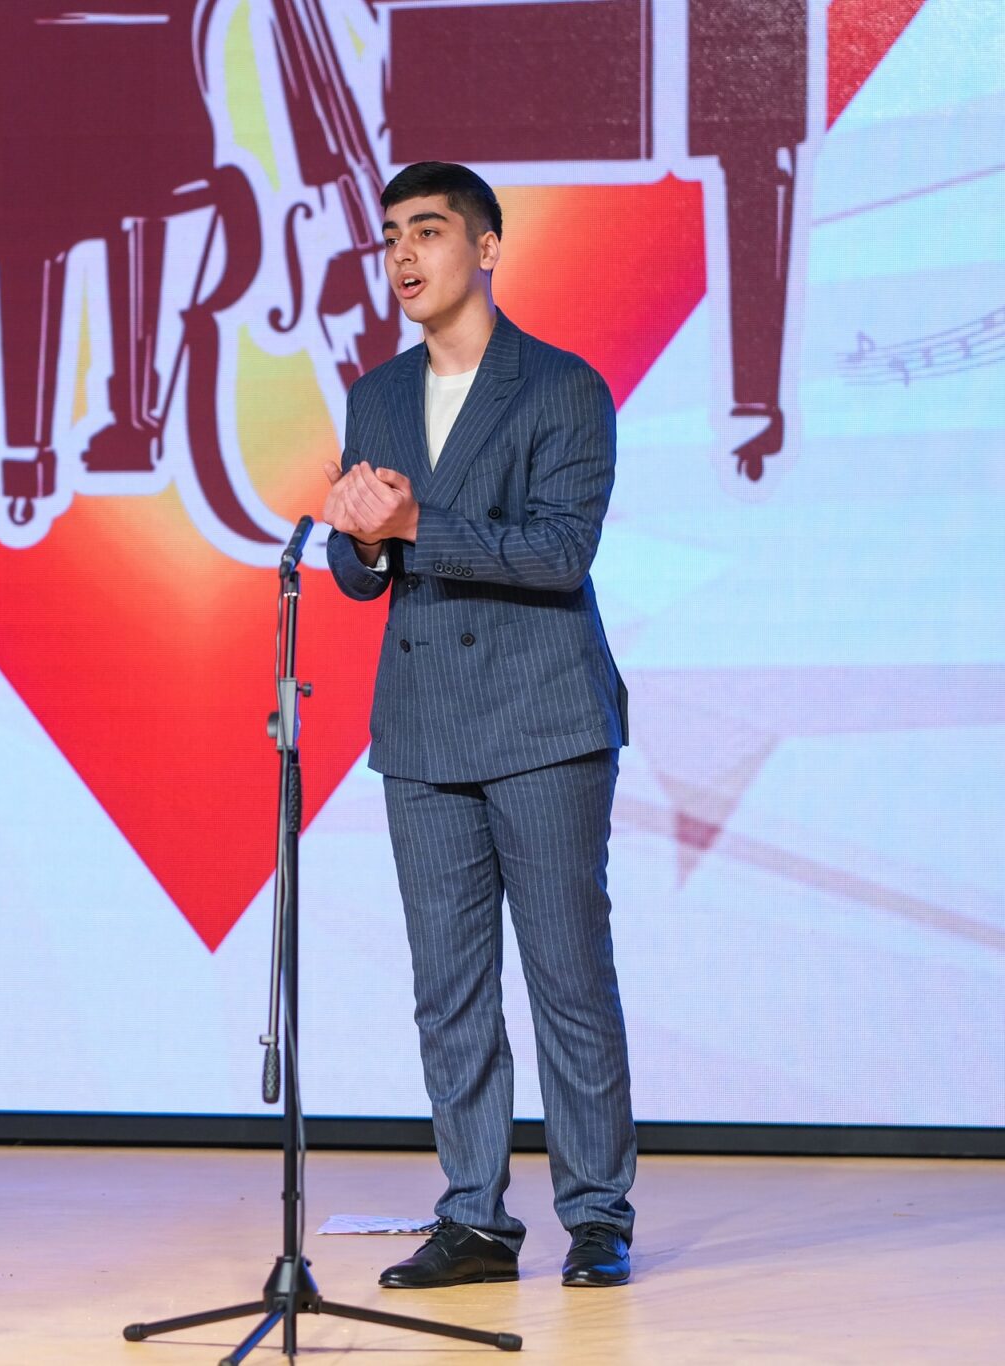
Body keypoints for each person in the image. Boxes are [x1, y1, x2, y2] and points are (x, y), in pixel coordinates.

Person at [317, 162, 636, 1288]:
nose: (403, 255)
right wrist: (361, 542)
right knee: (447, 987)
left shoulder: (561, 386)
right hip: (421, 728)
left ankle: (596, 1214)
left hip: (543, 719)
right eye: (390, 236)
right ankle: (473, 1217)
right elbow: (360, 572)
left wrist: (412, 524)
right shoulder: (375, 394)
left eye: (428, 230)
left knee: (567, 975)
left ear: (486, 246)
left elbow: (558, 552)